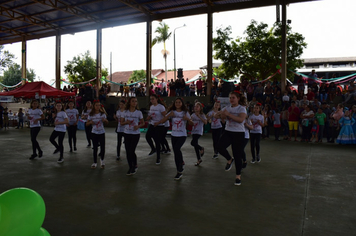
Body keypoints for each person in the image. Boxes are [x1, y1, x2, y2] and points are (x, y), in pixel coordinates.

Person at [156, 97, 193, 180]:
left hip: (182, 134)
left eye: (179, 102)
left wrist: (187, 119)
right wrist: (169, 115)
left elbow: (192, 123)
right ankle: (179, 171)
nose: (178, 104)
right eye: (176, 102)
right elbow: (163, 120)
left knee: (176, 148)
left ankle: (181, 164)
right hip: (174, 135)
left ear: (182, 103)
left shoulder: (185, 112)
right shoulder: (172, 112)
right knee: (176, 152)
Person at [216, 92, 247, 186]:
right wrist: (221, 115)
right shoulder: (227, 108)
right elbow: (218, 115)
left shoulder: (242, 108)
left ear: (238, 98)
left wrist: (228, 114)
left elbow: (241, 120)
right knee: (219, 147)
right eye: (230, 98)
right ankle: (229, 159)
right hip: (228, 131)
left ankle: (238, 176)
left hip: (238, 133)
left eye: (233, 98)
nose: (231, 99)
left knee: (237, 154)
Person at [121, 97, 145, 175]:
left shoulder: (139, 112)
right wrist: (126, 122)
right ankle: (130, 167)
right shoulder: (125, 112)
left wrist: (138, 126)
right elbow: (121, 123)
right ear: (130, 103)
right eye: (133, 101)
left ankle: (135, 164)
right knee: (128, 151)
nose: (134, 103)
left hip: (135, 134)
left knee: (132, 150)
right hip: (127, 133)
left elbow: (143, 123)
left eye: (136, 101)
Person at [87, 100, 109, 169]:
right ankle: (94, 162)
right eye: (96, 105)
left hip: (101, 132)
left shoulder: (102, 114)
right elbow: (86, 124)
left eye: (99, 105)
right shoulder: (91, 114)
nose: (98, 107)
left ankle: (102, 160)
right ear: (94, 106)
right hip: (94, 132)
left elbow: (107, 122)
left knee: (102, 147)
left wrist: (104, 120)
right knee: (95, 148)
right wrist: (90, 122)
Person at [146, 94, 166, 165]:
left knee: (157, 141)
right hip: (152, 124)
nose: (151, 100)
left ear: (157, 99)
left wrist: (159, 122)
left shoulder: (161, 107)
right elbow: (151, 115)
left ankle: (158, 157)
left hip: (159, 125)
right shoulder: (151, 107)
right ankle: (153, 148)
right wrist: (149, 117)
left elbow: (165, 117)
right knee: (147, 136)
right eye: (151, 99)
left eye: (153, 99)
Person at [190, 102, 207, 166]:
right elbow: (190, 122)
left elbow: (205, 122)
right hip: (194, 131)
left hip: (199, 131)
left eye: (197, 106)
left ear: (200, 108)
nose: (196, 108)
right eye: (195, 106)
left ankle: (201, 148)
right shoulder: (193, 115)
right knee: (195, 145)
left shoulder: (202, 115)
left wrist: (199, 116)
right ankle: (199, 159)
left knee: (193, 143)